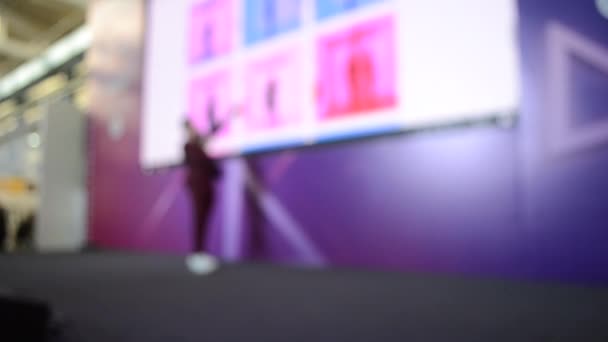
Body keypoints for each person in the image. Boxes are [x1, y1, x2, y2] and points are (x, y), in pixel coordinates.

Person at [184, 118, 221, 254]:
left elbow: (213, 130)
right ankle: (197, 251)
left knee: (205, 219)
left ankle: (201, 251)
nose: (193, 131)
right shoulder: (189, 147)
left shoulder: (200, 146)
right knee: (199, 219)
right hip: (197, 187)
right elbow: (201, 163)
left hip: (207, 187)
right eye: (190, 129)